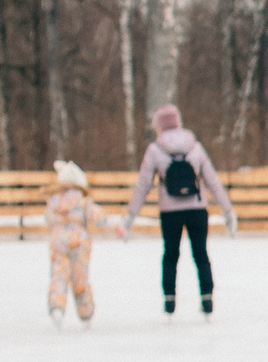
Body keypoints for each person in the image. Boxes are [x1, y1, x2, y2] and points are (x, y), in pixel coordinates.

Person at [124, 104, 236, 318]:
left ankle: (169, 300)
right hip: (197, 209)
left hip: (169, 211)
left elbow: (143, 185)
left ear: (160, 125)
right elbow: (212, 181)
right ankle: (207, 298)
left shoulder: (156, 150)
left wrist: (130, 216)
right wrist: (228, 210)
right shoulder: (195, 147)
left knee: (170, 254)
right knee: (201, 254)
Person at [44, 160, 125, 329]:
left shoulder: (53, 200)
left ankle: (56, 306)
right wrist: (117, 227)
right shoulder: (82, 200)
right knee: (80, 277)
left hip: (58, 241)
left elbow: (48, 220)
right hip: (79, 243)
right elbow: (98, 217)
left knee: (59, 274)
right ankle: (86, 312)